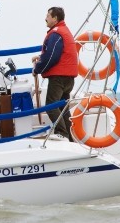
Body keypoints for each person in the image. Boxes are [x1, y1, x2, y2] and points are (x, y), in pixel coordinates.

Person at [32, 7, 78, 141]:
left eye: (48, 16)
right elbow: (55, 54)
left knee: (51, 105)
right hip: (69, 78)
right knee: (63, 107)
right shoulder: (65, 31)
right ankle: (70, 137)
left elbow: (52, 56)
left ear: (55, 18)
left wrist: (37, 69)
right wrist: (40, 58)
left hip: (59, 78)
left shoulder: (56, 34)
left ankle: (62, 133)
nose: (45, 18)